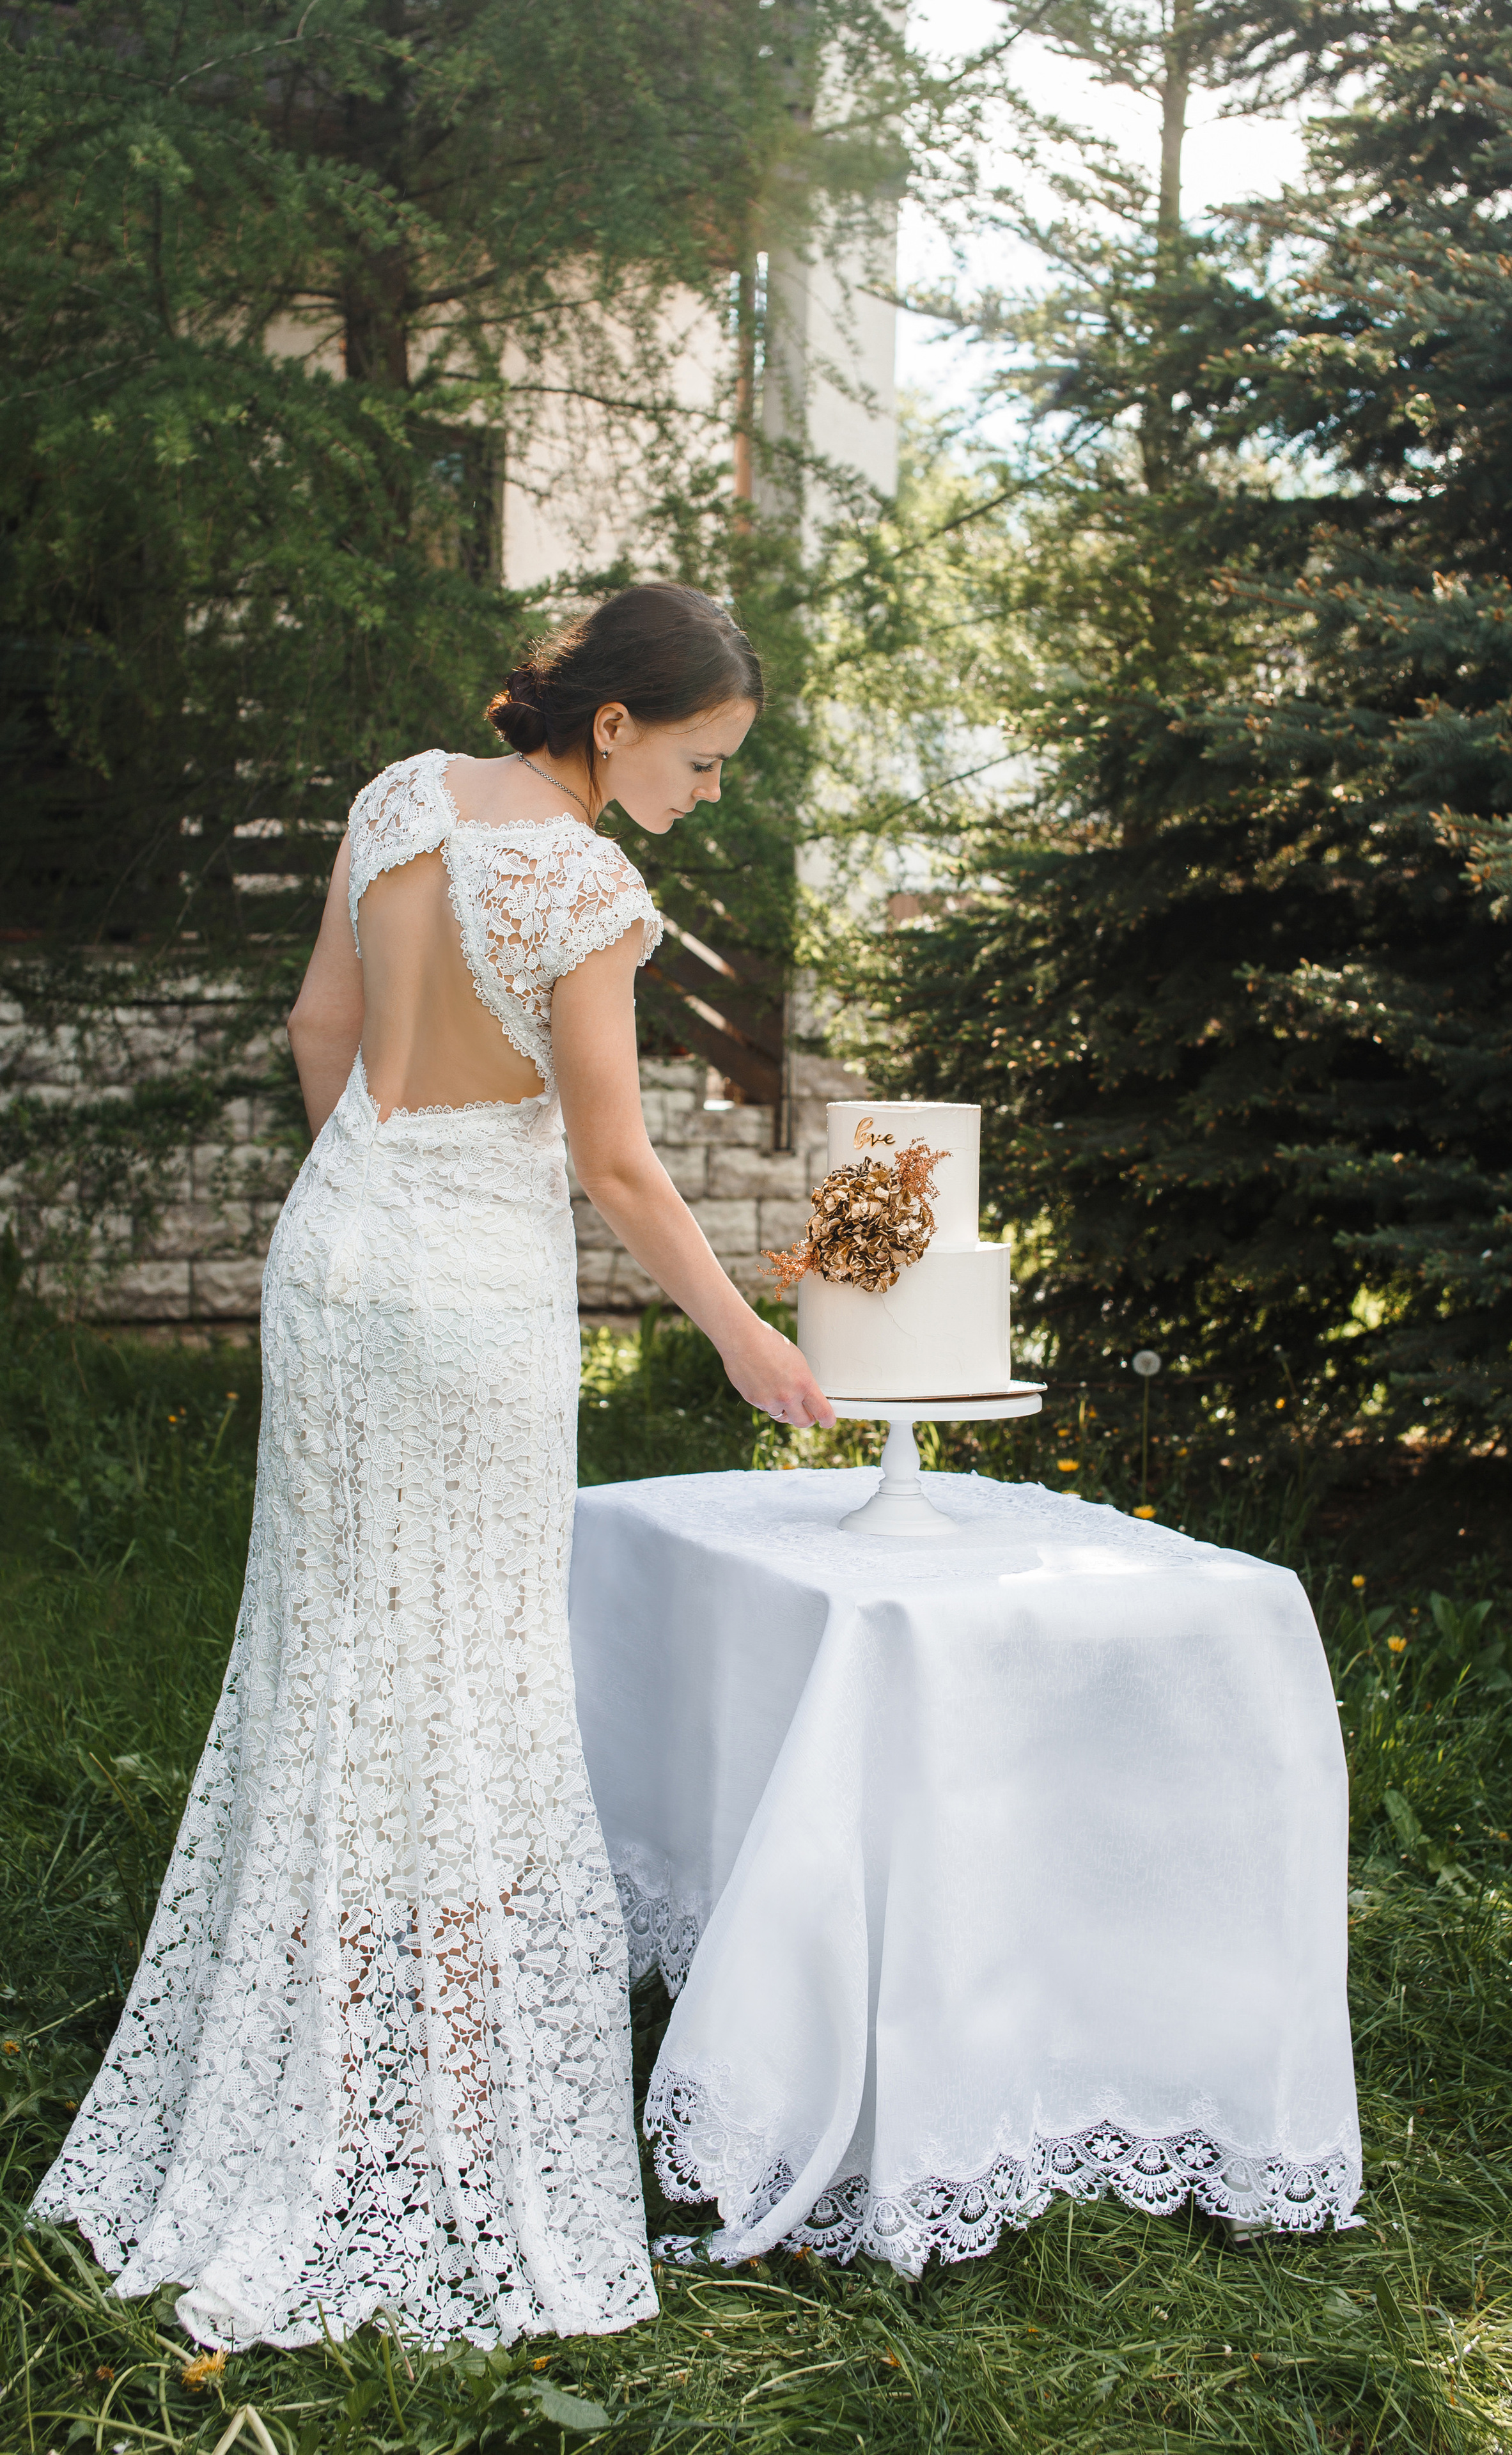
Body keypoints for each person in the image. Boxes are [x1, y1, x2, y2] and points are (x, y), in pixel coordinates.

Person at [31, 582, 835, 2350]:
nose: (708, 796)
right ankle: (445, 2095)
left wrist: (378, 1208)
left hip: (340, 1242)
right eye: (702, 762)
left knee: (335, 1656)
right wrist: (743, 1340)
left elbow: (325, 1037)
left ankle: (310, 2050)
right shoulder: (589, 887)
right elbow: (618, 1165)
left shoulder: (399, 795)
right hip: (470, 1289)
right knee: (469, 1665)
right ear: (615, 727)